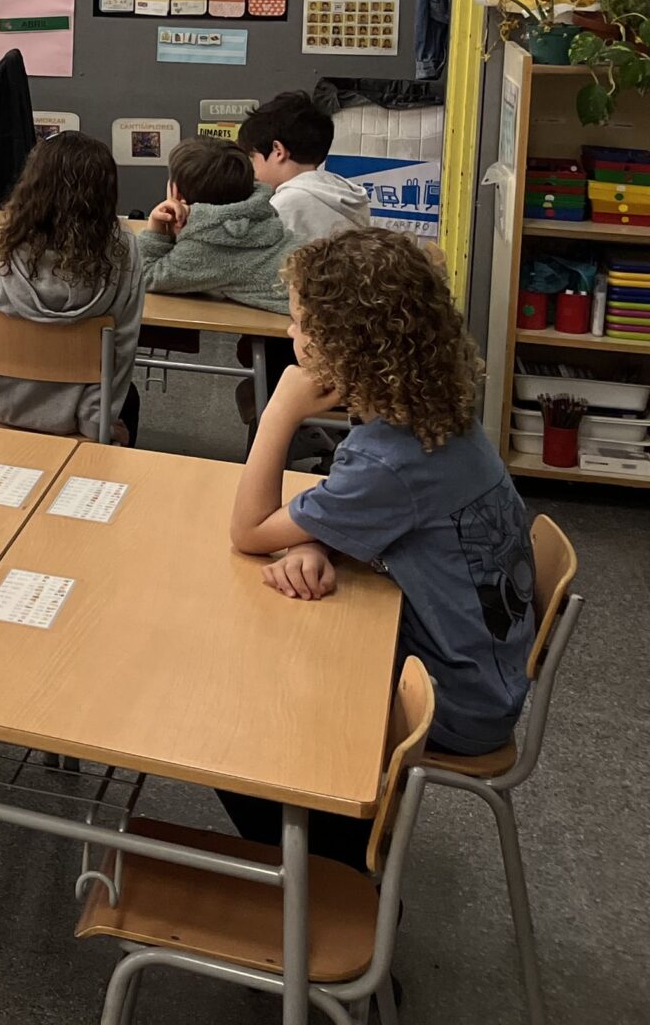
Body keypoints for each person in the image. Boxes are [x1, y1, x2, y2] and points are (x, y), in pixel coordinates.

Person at [224, 227, 537, 864]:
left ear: (344, 348)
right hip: (484, 675)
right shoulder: (436, 417)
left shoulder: (389, 461)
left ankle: (335, 871)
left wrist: (281, 410)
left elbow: (249, 530)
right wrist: (320, 541)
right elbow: (380, 517)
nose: (291, 337)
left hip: (454, 704)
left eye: (298, 324)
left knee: (233, 724)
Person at [0, 132, 144, 440]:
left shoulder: (3, 250)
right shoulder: (124, 254)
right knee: (130, 397)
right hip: (75, 416)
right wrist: (95, 425)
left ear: (32, 185)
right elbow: (122, 348)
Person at [141, 135, 293, 312]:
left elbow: (145, 275)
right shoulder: (257, 214)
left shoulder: (204, 246)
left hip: (312, 324)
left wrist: (155, 229)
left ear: (176, 192)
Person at [240, 91, 371, 240]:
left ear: (278, 151)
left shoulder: (284, 205)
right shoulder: (348, 196)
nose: (253, 169)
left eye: (253, 157)